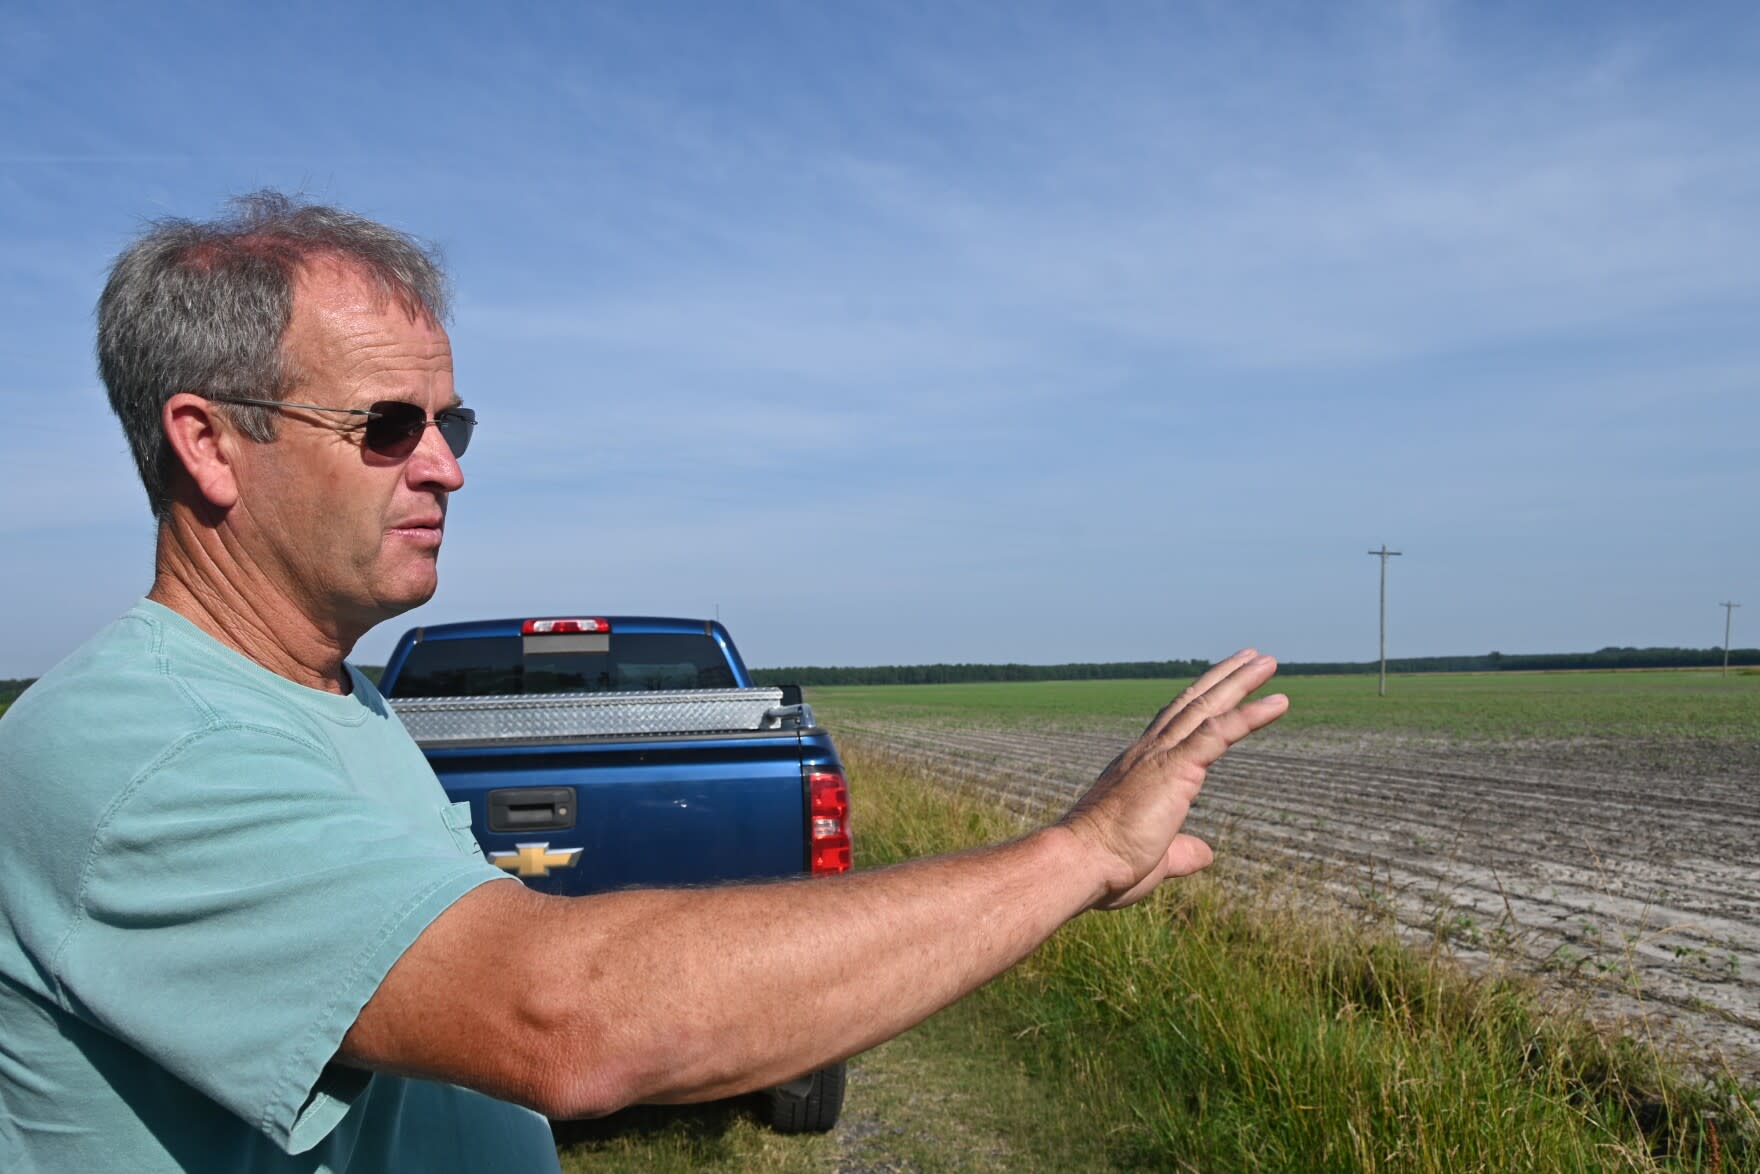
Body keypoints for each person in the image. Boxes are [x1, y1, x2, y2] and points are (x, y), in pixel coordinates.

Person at [0, 192, 1287, 1173]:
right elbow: (563, 1018)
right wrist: (1071, 858)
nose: (444, 467)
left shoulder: (343, 697)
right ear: (208, 443)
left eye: (454, 426)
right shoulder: (137, 753)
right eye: (389, 425)